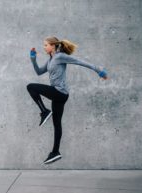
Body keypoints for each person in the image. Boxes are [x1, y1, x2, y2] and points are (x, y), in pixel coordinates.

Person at [27, 36, 108, 164]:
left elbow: (79, 61)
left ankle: (44, 112)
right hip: (59, 95)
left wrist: (99, 71)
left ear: (53, 46)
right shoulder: (50, 60)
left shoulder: (60, 57)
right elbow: (38, 72)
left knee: (31, 87)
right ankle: (55, 152)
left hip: (59, 93)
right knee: (57, 124)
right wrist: (33, 58)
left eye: (46, 45)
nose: (44, 47)